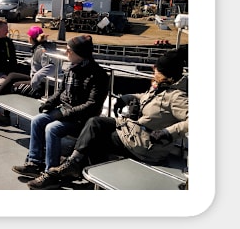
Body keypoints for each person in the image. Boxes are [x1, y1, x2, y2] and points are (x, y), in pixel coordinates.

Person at [48, 47, 188, 185]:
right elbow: (148, 98)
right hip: (135, 135)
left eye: (156, 69)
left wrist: (167, 133)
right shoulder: (161, 88)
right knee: (95, 123)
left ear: (165, 73)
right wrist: (128, 97)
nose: (153, 70)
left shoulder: (176, 97)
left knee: (96, 138)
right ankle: (74, 165)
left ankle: (80, 171)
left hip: (146, 147)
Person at [12, 34, 109, 189]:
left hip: (81, 118)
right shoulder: (71, 68)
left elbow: (92, 105)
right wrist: (50, 102)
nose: (65, 52)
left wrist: (64, 114)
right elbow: (62, 91)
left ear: (80, 53)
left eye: (69, 50)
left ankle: (51, 173)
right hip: (65, 111)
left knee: (52, 129)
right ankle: (34, 163)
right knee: (38, 120)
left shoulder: (98, 75)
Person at [0, 26, 59, 124]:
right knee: (12, 75)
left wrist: (36, 78)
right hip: (39, 81)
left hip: (41, 86)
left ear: (31, 38)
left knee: (13, 87)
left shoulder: (41, 50)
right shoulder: (42, 47)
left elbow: (51, 67)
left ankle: (3, 114)